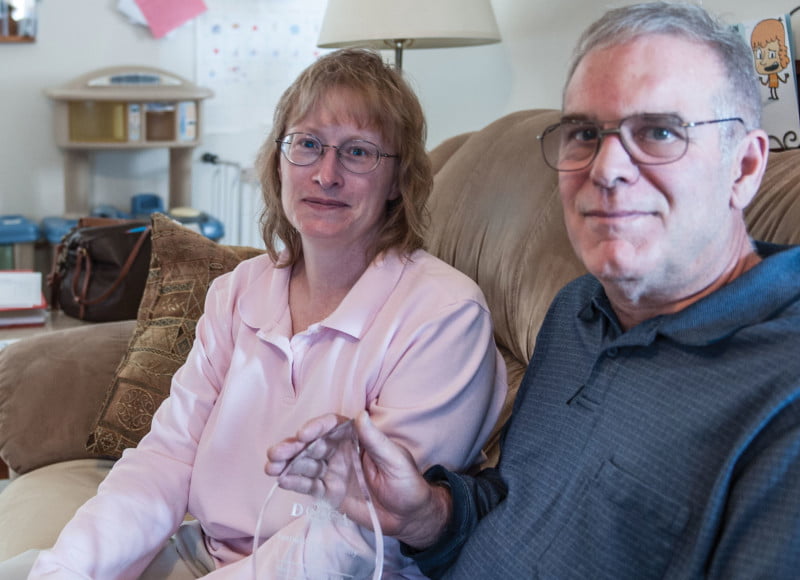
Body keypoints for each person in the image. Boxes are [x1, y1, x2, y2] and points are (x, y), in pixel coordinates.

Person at [267, 3, 800, 578]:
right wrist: (426, 514)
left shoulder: (781, 389)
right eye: (585, 134)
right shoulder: (578, 311)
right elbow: (518, 506)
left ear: (744, 167)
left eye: (659, 133)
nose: (607, 169)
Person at [3, 48, 507, 578]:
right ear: (277, 160)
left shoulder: (444, 316)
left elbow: (355, 538)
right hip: (202, 553)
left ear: (399, 180)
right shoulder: (239, 290)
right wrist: (67, 569)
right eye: (307, 144)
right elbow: (165, 459)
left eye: (358, 152)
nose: (326, 174)